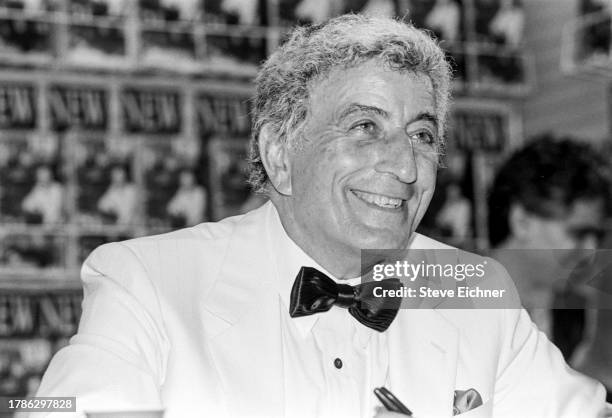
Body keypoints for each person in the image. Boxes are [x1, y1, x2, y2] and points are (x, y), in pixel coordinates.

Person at [37, 15, 607, 417]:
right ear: (280, 154)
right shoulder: (150, 279)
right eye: (365, 127)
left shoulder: (471, 287)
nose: (406, 166)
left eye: (423, 134)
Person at [488, 136, 609, 340]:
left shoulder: (575, 312)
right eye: (578, 233)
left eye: (597, 235)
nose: (590, 249)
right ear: (522, 222)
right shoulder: (449, 308)